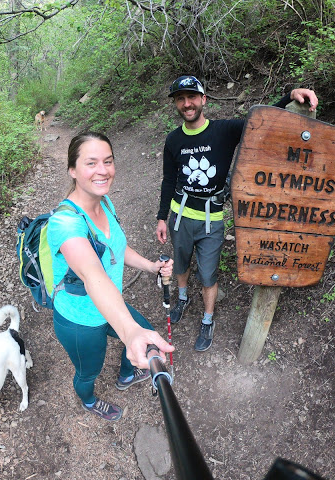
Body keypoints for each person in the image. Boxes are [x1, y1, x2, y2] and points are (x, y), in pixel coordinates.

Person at [156, 75, 318, 352]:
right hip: (180, 214)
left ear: (203, 99)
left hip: (212, 217)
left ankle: (208, 319)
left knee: (208, 274)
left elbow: (260, 122)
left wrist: (291, 95)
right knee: (181, 263)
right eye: (181, 99)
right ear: (176, 105)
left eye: (192, 97)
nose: (187, 104)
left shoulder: (224, 130)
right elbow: (169, 180)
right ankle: (182, 297)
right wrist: (161, 217)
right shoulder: (173, 140)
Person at [48, 132, 174, 422]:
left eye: (108, 161)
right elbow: (93, 276)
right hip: (80, 320)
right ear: (73, 170)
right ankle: (89, 400)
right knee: (88, 371)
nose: (102, 170)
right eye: (91, 163)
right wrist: (129, 332)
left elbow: (118, 249)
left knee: (146, 333)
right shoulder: (65, 223)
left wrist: (151, 266)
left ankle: (127, 374)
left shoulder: (104, 203)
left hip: (111, 307)